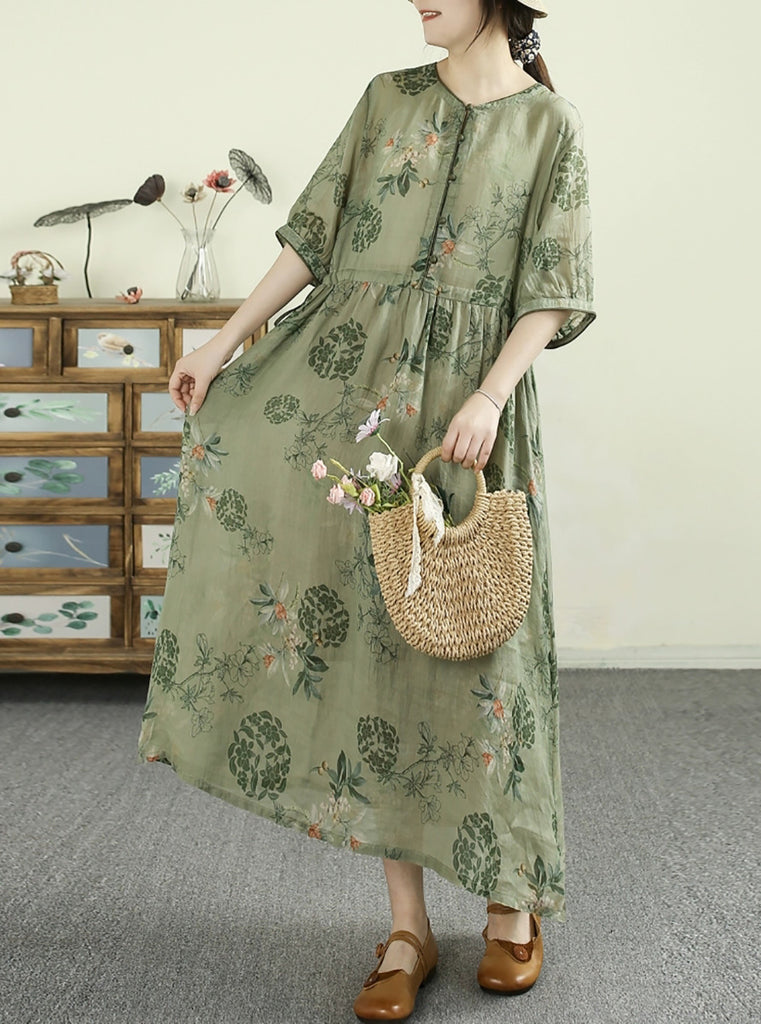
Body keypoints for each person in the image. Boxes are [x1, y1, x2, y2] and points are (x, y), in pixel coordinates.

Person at [136, 0, 596, 1018]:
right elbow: (312, 241)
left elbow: (553, 288)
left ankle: (512, 900)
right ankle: (406, 927)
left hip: (471, 417)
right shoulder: (387, 100)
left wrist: (490, 396)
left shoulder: (549, 126)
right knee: (379, 648)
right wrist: (221, 343)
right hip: (365, 406)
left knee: (483, 651)